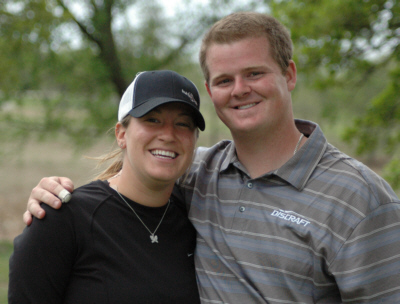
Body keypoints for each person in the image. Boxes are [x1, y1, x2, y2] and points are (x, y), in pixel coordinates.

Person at [22, 12, 400, 303]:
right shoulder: (199, 172)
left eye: (254, 73)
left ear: (289, 75)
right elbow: (131, 183)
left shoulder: (361, 199)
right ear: (210, 90)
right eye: (224, 80)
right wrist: (51, 198)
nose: (240, 90)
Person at [9, 70, 206, 303]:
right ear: (121, 134)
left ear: (194, 142)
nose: (169, 134)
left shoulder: (196, 217)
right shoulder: (63, 218)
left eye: (183, 124)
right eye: (152, 119)